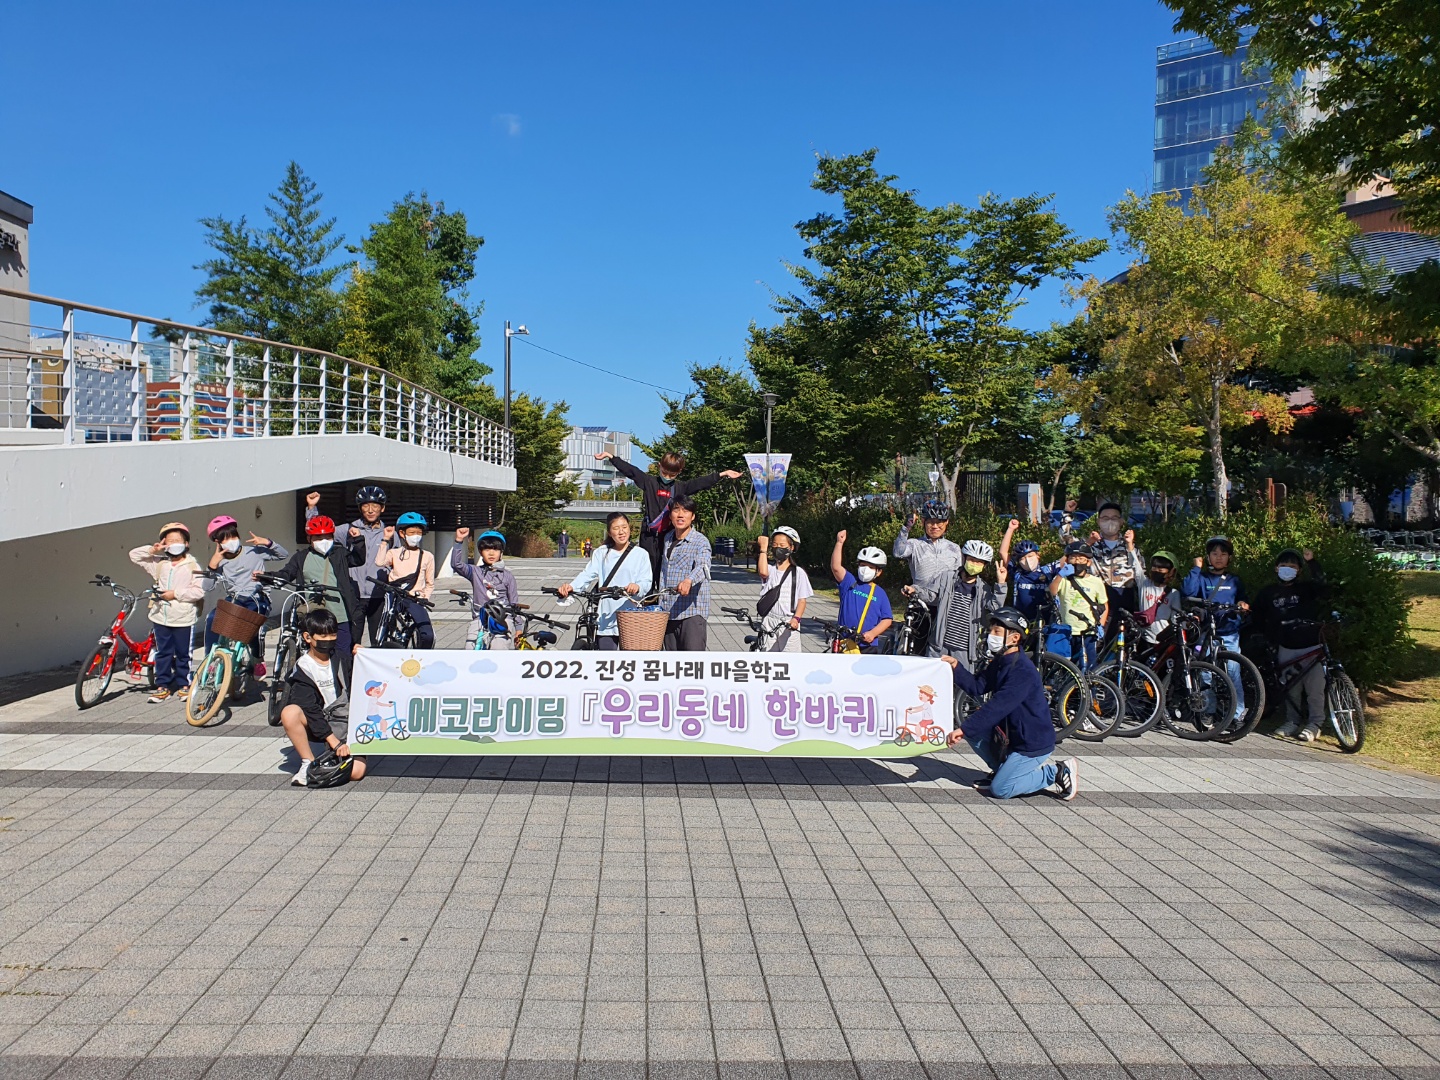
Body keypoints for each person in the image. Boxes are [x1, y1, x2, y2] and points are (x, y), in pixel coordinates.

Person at [941, 608, 1078, 800]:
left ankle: (1056, 772)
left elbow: (997, 706)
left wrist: (962, 730)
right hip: (1011, 737)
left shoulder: (1022, 671)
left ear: (1014, 638)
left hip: (1031, 743)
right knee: (976, 731)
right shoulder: (1001, 662)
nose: (990, 636)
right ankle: (1004, 771)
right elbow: (977, 686)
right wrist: (956, 667)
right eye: (990, 631)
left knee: (1001, 789)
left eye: (996, 632)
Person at [596, 449, 743, 580]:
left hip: (669, 536)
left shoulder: (680, 487)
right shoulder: (649, 482)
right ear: (659, 466)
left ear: (679, 472)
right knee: (647, 566)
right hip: (649, 535)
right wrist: (611, 457)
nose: (667, 476)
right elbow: (631, 471)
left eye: (672, 474)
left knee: (665, 568)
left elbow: (700, 483)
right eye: (665, 472)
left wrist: (722, 474)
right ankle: (645, 598)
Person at [274, 514, 365, 683]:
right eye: (318, 537)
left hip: (340, 613)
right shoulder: (301, 557)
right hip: (313, 612)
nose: (323, 540)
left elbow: (358, 559)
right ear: (309, 538)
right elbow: (287, 573)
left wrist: (358, 540)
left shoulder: (340, 553)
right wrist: (268, 576)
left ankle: (345, 693)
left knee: (343, 653)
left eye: (327, 536)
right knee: (315, 653)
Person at [280, 608, 366, 787]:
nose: (328, 641)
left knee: (357, 772)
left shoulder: (342, 657)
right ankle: (307, 762)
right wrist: (334, 743)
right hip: (318, 721)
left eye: (332, 635)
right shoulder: (303, 669)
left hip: (346, 720)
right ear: (307, 637)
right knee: (289, 712)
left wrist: (363, 657)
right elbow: (311, 710)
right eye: (322, 636)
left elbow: (364, 683)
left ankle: (333, 759)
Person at [1253, 548, 1327, 741]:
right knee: (1290, 690)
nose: (1288, 569)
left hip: (1311, 645)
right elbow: (1258, 618)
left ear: (1299, 570)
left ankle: (1315, 723)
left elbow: (1323, 586)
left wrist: (1312, 562)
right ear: (1276, 568)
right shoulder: (1268, 593)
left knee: (1315, 690)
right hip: (1285, 647)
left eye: (1292, 566)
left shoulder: (1306, 589)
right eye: (1284, 566)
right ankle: (1291, 721)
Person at [129, 522, 206, 703]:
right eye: (169, 541)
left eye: (178, 540)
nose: (174, 544)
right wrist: (153, 550)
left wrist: (175, 594)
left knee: (183, 653)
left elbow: (199, 591)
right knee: (162, 652)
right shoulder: (160, 564)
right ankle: (162, 685)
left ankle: (183, 685)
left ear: (186, 543)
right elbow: (134, 555)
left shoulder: (192, 565)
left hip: (183, 617)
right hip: (160, 615)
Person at [305, 486, 390, 646]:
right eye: (366, 506)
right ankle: (350, 670)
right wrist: (311, 508)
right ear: (360, 508)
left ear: (382, 508)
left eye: (375, 506)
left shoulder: (389, 533)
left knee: (379, 641)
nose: (370, 510)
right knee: (352, 640)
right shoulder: (347, 529)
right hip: (353, 595)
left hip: (379, 595)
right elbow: (318, 531)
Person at [557, 512, 653, 650]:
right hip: (606, 616)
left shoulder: (641, 554)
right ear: (609, 532)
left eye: (624, 527)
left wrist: (637, 586)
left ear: (629, 528)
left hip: (631, 615)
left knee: (631, 662)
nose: (621, 532)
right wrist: (571, 587)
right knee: (606, 660)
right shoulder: (601, 553)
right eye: (616, 528)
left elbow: (646, 581)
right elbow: (587, 574)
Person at [202, 515, 289, 664]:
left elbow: (283, 554)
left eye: (233, 536)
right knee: (212, 618)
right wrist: (212, 566)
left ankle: (257, 658)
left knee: (252, 624)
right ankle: (210, 661)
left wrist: (268, 543)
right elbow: (207, 587)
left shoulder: (253, 551)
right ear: (217, 542)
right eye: (225, 538)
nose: (231, 540)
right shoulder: (219, 561)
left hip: (258, 598)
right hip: (235, 599)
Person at [1182, 536, 1250, 720]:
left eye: (1223, 554)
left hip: (1229, 634)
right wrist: (1196, 568)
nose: (1219, 557)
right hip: (1206, 634)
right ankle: (1207, 712)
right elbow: (1188, 592)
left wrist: (1243, 605)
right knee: (1206, 674)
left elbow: (1243, 600)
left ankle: (1237, 715)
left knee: (1234, 673)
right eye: (1214, 553)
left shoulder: (1234, 580)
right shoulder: (1202, 578)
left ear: (1229, 557)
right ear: (1208, 557)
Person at [915, 539, 1005, 673]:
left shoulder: (983, 589)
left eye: (979, 562)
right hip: (939, 645)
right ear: (964, 558)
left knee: (961, 689)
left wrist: (1001, 583)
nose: (975, 564)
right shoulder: (947, 577)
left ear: (984, 565)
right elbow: (931, 595)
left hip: (965, 650)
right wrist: (915, 590)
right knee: (932, 685)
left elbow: (995, 607)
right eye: (972, 560)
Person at [374, 512, 436, 649]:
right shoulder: (394, 553)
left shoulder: (427, 556)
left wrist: (424, 597)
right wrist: (385, 539)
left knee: (427, 635)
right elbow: (379, 562)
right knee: (386, 633)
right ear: (402, 534)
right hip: (395, 597)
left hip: (415, 599)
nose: (416, 536)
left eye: (419, 532)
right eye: (412, 532)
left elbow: (430, 583)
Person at [452, 529, 520, 649]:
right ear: (480, 552)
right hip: (480, 618)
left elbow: (514, 604)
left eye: (495, 549)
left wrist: (519, 628)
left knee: (498, 648)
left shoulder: (508, 576)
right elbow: (456, 564)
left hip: (503, 619)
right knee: (471, 648)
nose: (491, 553)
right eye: (487, 549)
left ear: (501, 552)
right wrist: (459, 541)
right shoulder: (475, 572)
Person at [660, 496, 712, 651]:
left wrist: (689, 580)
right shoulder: (668, 539)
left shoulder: (700, 541)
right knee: (672, 664)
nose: (680, 515)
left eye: (686, 511)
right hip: (668, 610)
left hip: (691, 612)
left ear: (693, 516)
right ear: (670, 515)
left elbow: (703, 566)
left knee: (693, 664)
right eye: (676, 510)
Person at [829, 531, 894, 653]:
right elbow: (836, 567)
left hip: (867, 644)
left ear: (878, 572)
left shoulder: (880, 593)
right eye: (863, 565)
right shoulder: (850, 582)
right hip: (844, 642)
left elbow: (887, 619)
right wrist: (839, 543)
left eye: (871, 567)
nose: (866, 569)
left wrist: (873, 633)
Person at [1048, 542, 1109, 669]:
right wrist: (1060, 574)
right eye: (1073, 558)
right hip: (1066, 631)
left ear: (1088, 562)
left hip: (1088, 631)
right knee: (1066, 667)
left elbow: (1104, 605)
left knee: (1089, 667)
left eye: (1081, 558)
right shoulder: (1064, 580)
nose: (1077, 562)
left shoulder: (1096, 582)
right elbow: (1052, 592)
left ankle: (1090, 689)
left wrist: (1101, 625)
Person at [755, 526, 813, 653]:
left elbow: (802, 601)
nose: (778, 548)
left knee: (791, 661)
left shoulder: (798, 573)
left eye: (782, 545)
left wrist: (796, 619)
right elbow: (763, 572)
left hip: (788, 623)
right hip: (769, 621)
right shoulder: (770, 569)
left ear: (791, 547)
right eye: (775, 545)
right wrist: (763, 549)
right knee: (767, 660)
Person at [893, 499, 963, 594]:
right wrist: (906, 528)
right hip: (920, 601)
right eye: (930, 522)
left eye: (939, 522)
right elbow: (898, 553)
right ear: (923, 522)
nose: (935, 526)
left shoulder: (954, 548)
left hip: (945, 603)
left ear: (946, 522)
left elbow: (958, 577)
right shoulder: (914, 544)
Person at [999, 519, 1062, 623]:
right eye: (1022, 558)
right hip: (1022, 620)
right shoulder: (1017, 573)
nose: (1027, 560)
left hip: (1047, 620)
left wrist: (1089, 542)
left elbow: (1069, 556)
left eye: (1030, 556)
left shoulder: (1047, 570)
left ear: (1038, 555)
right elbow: (1003, 553)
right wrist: (1010, 529)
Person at [1088, 502, 1140, 613]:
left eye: (1114, 518)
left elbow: (1140, 571)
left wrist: (1130, 545)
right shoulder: (1091, 545)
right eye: (1105, 518)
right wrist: (1068, 513)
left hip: (1125, 596)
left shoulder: (1129, 545)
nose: (1110, 521)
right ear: (1098, 521)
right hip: (1098, 596)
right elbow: (1066, 541)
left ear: (1121, 521)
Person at [1131, 549, 1183, 644]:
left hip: (1162, 640)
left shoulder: (1173, 593)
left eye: (1161, 569)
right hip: (1143, 638)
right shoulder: (1144, 584)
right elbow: (1136, 566)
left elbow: (1176, 619)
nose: (1157, 571)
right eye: (1154, 567)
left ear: (1171, 572)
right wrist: (1130, 545)